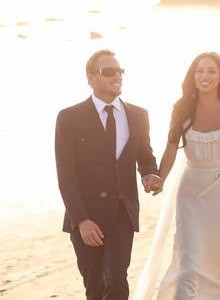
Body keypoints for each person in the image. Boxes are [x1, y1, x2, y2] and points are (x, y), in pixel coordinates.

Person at [55, 49, 162, 300]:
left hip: (122, 214)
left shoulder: (138, 115)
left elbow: (145, 157)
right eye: (109, 71)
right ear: (90, 77)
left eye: (120, 71)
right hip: (86, 217)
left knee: (116, 281)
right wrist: (81, 221)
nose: (118, 76)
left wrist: (150, 174)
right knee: (95, 289)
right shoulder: (69, 118)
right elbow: (66, 176)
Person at [152, 52, 220, 299]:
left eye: (211, 71)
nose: (205, 76)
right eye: (199, 71)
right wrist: (160, 178)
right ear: (193, 76)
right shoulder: (181, 109)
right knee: (189, 261)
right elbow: (170, 148)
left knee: (214, 265)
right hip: (190, 193)